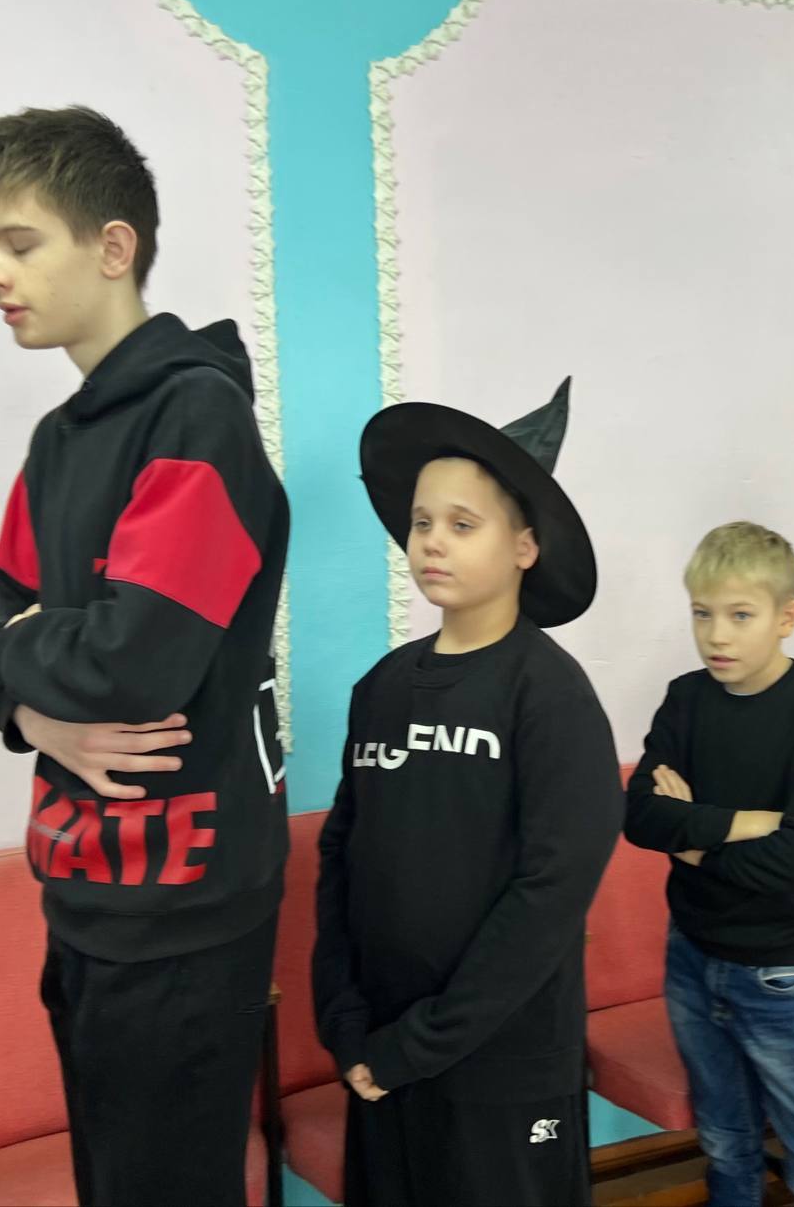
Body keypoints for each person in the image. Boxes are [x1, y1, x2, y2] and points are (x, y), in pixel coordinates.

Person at [0, 105, 290, 1207]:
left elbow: (137, 665)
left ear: (113, 246)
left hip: (185, 906)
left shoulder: (197, 418)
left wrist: (30, 650)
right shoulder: (56, 442)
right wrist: (35, 713)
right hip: (81, 888)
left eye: (19, 242)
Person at [313, 378, 623, 1207]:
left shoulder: (549, 697)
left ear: (525, 547)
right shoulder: (382, 687)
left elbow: (549, 895)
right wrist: (344, 1020)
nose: (432, 544)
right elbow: (342, 856)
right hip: (380, 1054)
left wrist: (420, 1043)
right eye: (422, 523)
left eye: (462, 524)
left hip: (501, 1067)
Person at [624, 521, 794, 1207]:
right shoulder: (685, 698)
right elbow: (640, 816)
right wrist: (747, 824)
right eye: (702, 614)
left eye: (739, 615)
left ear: (787, 617)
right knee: (725, 1142)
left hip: (781, 971)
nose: (716, 636)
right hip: (692, 955)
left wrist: (693, 839)